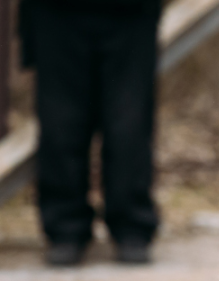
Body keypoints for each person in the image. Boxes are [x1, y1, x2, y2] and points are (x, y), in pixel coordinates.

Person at [18, 0, 162, 266]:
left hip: (132, 15)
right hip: (54, 14)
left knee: (129, 125)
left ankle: (131, 226)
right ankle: (65, 229)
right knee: (60, 124)